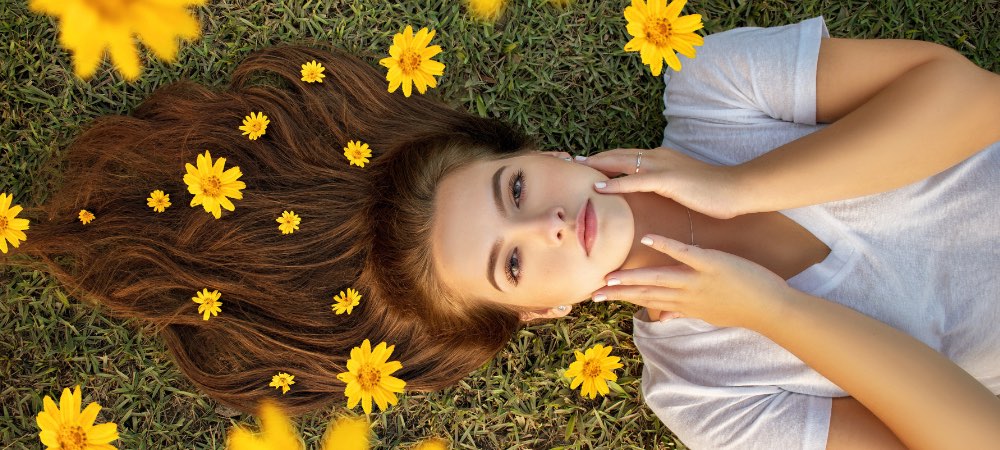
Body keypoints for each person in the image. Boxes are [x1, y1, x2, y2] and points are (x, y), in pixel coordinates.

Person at [5, 15, 998, 449]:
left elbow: (973, 100)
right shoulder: (706, 397)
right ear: (543, 310)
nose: (555, 223)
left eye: (518, 187)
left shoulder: (719, 86)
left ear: (540, 151)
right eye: (514, 258)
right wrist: (776, 313)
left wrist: (743, 187)